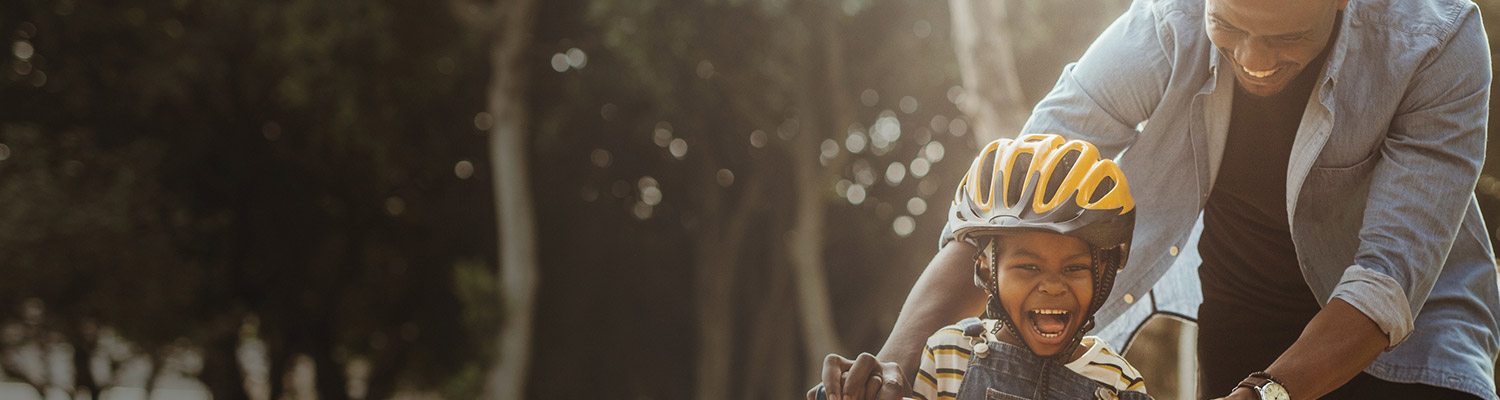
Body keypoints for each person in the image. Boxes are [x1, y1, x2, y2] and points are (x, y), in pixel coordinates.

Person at [817, 0, 1500, 399]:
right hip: (1248, 314)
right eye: (1231, 29)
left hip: (1410, 338)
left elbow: (1386, 280)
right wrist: (897, 366)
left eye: (1288, 37)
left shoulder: (1437, 40)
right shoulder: (1165, 23)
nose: (1257, 61)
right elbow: (1013, 201)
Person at [812, 134, 1153, 400]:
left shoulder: (1118, 381)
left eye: (1074, 269)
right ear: (986, 271)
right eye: (1028, 268)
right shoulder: (948, 352)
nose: (1052, 285)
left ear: (1104, 274)